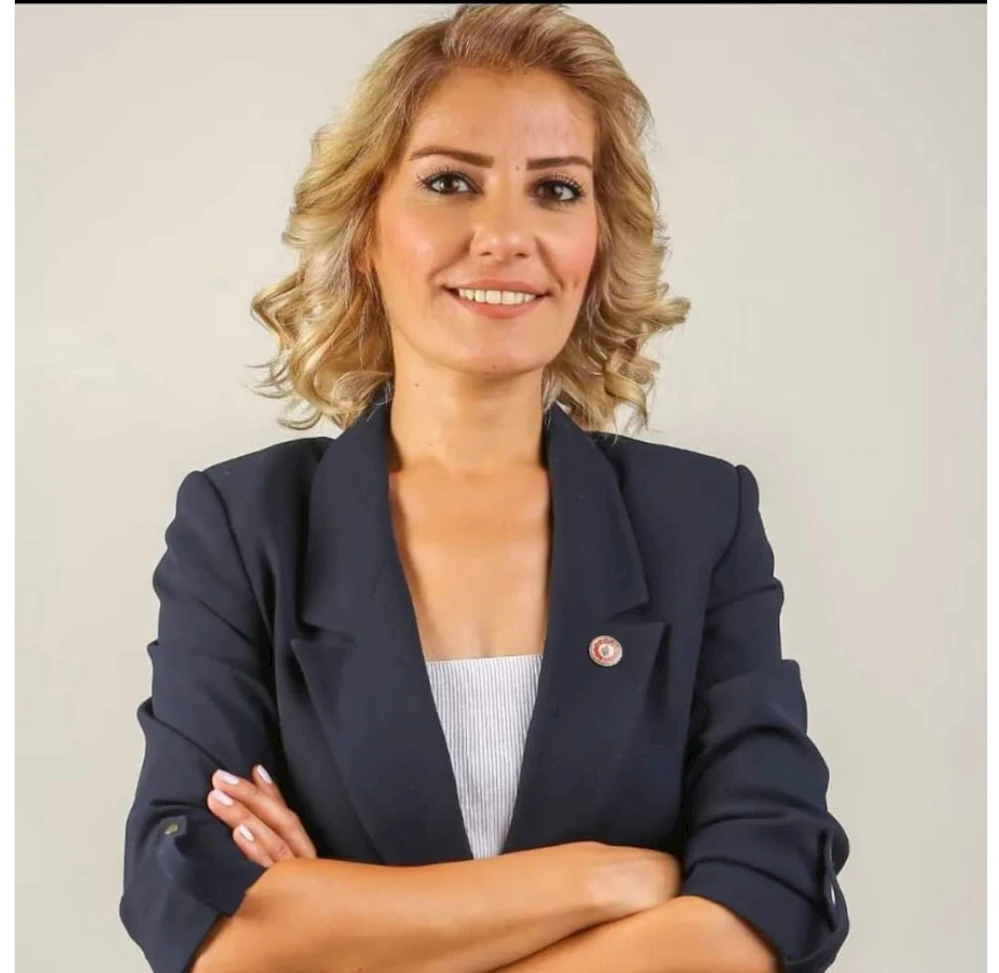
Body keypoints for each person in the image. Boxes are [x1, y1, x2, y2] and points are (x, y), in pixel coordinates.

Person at [119, 5, 850, 973]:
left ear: (598, 241)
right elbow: (200, 922)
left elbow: (771, 895)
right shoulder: (244, 524)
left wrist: (340, 922)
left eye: (555, 189)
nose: (505, 234)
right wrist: (601, 878)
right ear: (366, 230)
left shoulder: (698, 518)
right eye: (450, 182)